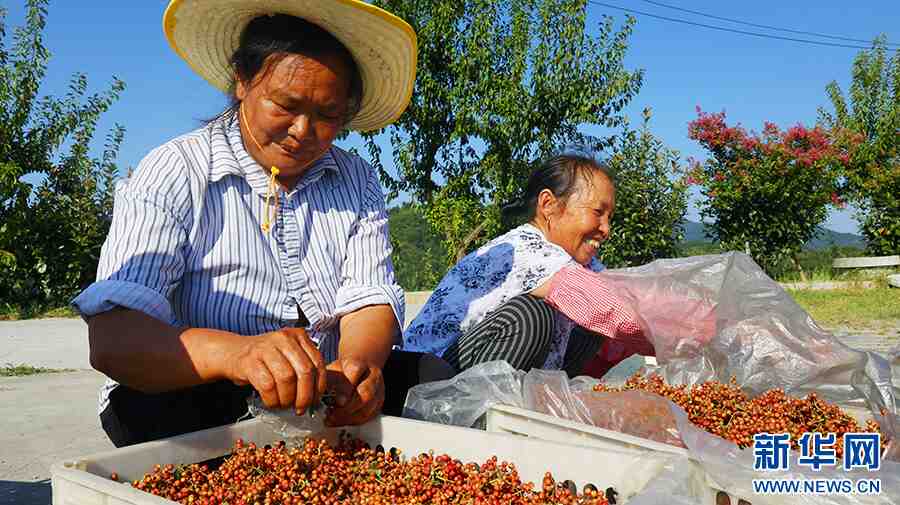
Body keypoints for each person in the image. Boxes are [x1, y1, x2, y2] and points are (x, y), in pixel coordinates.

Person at [73, 0, 428, 447]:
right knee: (194, 419)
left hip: (316, 391)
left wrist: (357, 367)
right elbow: (115, 339)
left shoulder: (356, 177)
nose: (302, 130)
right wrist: (241, 355)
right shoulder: (177, 169)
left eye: (327, 115)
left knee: (429, 380)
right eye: (285, 104)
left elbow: (369, 295)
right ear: (242, 80)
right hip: (197, 391)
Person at [403, 152, 657, 377]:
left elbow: (625, 296)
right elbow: (613, 311)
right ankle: (474, 423)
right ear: (548, 205)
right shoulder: (525, 249)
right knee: (531, 316)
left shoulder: (581, 265)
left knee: (593, 329)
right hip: (429, 378)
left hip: (484, 372)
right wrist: (680, 339)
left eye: (609, 217)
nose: (606, 229)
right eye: (597, 213)